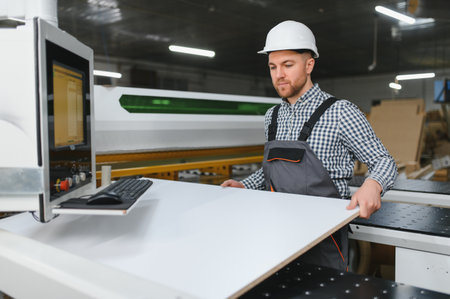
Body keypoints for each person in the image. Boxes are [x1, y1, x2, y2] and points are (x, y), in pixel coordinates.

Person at [221, 20, 397, 271]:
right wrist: (243, 184)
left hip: (324, 240)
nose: (279, 74)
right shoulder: (272, 116)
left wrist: (373, 184)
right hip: (277, 235)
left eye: (287, 65)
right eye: (273, 67)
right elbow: (272, 171)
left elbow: (384, 161)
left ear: (309, 64)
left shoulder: (341, 112)